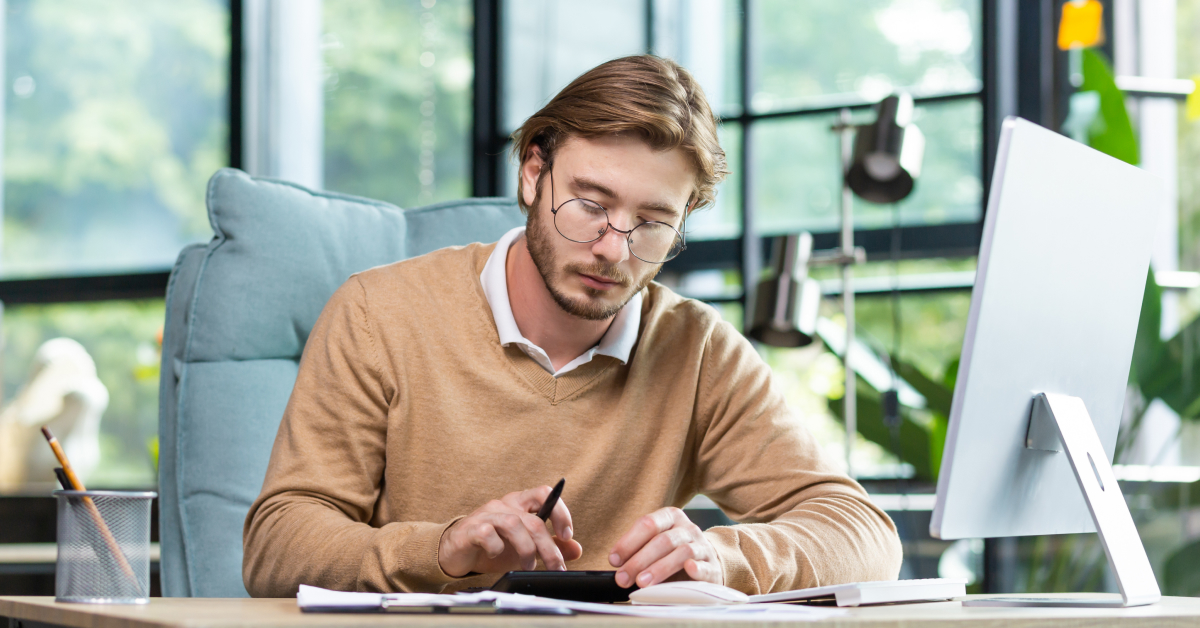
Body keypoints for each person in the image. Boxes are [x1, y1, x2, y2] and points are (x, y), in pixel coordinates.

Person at [242, 55, 902, 597]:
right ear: (533, 172)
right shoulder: (377, 314)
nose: (613, 248)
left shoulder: (698, 352)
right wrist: (443, 550)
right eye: (590, 205)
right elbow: (277, 546)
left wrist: (721, 557)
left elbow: (864, 534)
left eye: (651, 224)